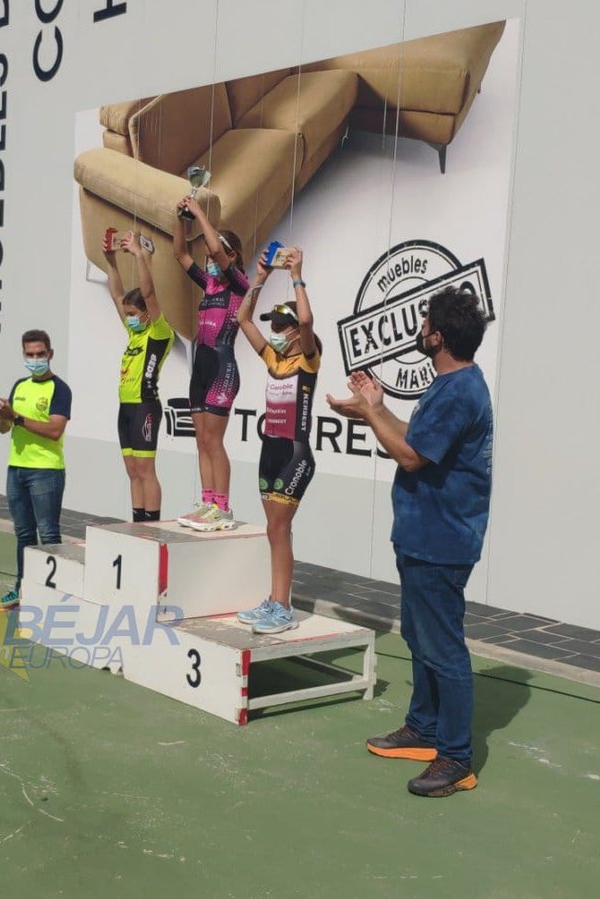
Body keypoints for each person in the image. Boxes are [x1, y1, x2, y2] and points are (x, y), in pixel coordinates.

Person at [326, 285, 493, 798]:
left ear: (438, 337)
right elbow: (415, 438)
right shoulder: (450, 384)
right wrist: (373, 408)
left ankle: (456, 759)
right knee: (422, 639)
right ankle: (423, 729)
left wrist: (370, 413)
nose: (419, 331)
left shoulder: (460, 391)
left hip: (442, 541)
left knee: (444, 649)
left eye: (424, 325)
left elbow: (411, 457)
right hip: (423, 537)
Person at [233, 246, 318, 635]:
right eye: (276, 326)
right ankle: (276, 598)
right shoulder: (273, 358)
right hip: (270, 451)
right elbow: (242, 318)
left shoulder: (307, 360)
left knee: (278, 529)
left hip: (295, 455)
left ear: (297, 333)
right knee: (274, 530)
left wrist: (296, 275)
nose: (277, 332)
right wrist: (262, 277)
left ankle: (282, 607)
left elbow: (307, 319)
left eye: (282, 327)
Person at [170, 196, 247, 531]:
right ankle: (207, 502)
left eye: (216, 257)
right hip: (200, 369)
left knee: (214, 441)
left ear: (233, 257)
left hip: (222, 369)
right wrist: (180, 218)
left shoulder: (239, 283)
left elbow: (215, 248)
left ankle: (223, 508)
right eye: (209, 259)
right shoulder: (210, 283)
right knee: (201, 440)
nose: (211, 261)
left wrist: (199, 212)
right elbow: (180, 254)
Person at [0, 330, 72, 612]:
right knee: (24, 534)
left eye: (40, 354)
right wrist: (3, 416)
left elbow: (55, 429)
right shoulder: (20, 386)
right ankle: (22, 590)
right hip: (17, 469)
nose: (35, 359)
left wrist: (17, 417)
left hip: (46, 471)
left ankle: (54, 597)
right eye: (30, 354)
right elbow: (4, 429)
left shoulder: (60, 389)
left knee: (48, 534)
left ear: (50, 354)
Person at [101, 229, 172, 523]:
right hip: (126, 408)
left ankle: (151, 526)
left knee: (145, 470)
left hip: (145, 406)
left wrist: (140, 255)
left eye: (133, 313)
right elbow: (117, 294)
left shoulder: (159, 333)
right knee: (132, 471)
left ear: (146, 314)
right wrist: (111, 261)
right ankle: (138, 523)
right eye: (127, 314)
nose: (129, 318)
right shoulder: (134, 333)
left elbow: (149, 294)